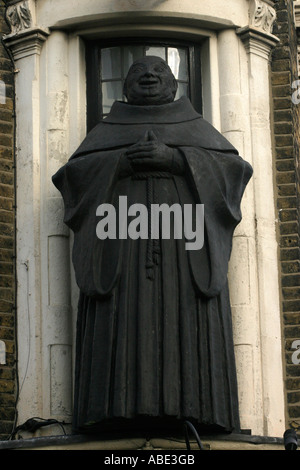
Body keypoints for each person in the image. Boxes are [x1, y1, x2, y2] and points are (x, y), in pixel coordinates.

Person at [52, 56, 253, 435]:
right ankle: (113, 412)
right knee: (123, 322)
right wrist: (119, 166)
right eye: (138, 71)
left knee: (189, 323)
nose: (148, 75)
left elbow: (234, 172)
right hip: (120, 251)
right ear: (124, 87)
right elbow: (72, 179)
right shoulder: (104, 133)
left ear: (174, 84)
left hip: (186, 252)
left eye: (159, 70)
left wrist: (179, 159)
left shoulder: (198, 129)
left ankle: (198, 409)